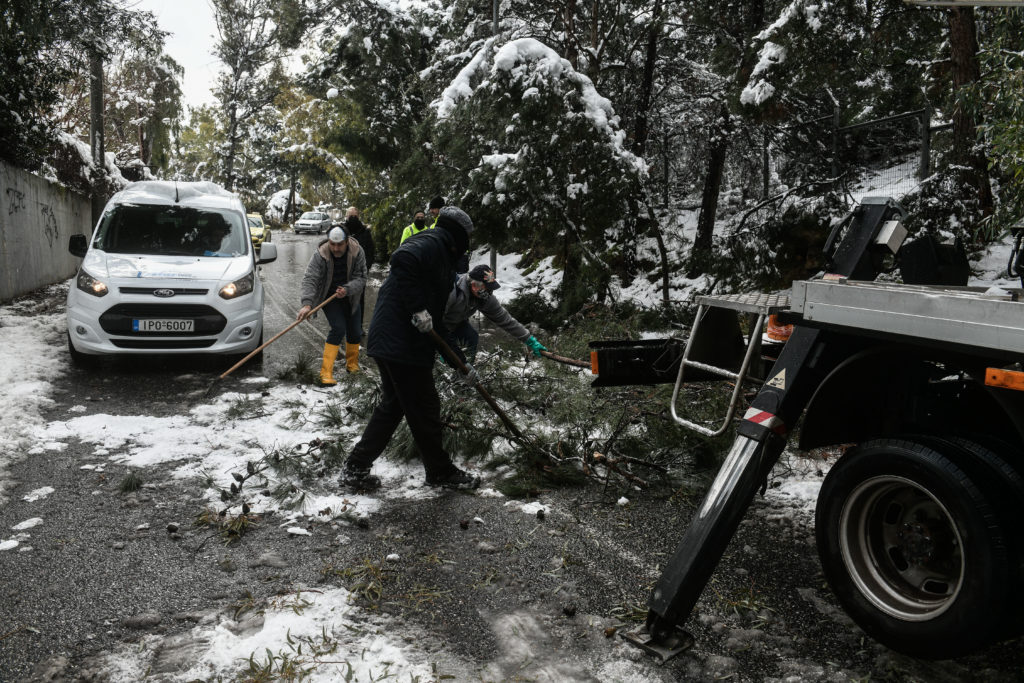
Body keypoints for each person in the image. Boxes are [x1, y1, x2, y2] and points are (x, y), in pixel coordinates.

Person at [340, 206, 481, 492]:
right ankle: (439, 471)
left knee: (393, 407)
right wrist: (417, 309)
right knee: (425, 407)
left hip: (396, 341)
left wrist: (461, 365)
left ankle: (356, 467)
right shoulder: (433, 242)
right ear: (457, 235)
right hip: (400, 342)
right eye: (467, 237)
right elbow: (401, 258)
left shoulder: (442, 257)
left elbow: (437, 324)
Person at [298, 225, 367, 383]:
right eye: (332, 244)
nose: (335, 248)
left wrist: (348, 289)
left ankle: (352, 365)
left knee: (355, 331)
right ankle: (325, 373)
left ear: (347, 241)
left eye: (339, 244)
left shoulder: (358, 251)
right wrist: (307, 304)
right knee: (338, 328)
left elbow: (362, 278)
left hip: (351, 296)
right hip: (330, 297)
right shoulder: (321, 254)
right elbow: (310, 278)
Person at [443, 265, 547, 363]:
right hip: (436, 324)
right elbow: (434, 320)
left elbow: (505, 319)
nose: (489, 293)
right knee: (444, 350)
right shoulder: (451, 291)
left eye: (491, 290)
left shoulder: (484, 297)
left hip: (455, 324)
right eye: (487, 289)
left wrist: (529, 340)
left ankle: (464, 373)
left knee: (471, 337)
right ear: (474, 285)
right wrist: (447, 345)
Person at [343, 207, 376, 334]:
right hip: (343, 273)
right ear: (346, 216)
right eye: (350, 216)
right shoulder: (342, 231)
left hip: (359, 274)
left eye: (355, 216)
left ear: (359, 216)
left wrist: (365, 268)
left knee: (358, 301)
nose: (352, 218)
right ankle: (344, 325)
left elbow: (370, 252)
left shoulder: (365, 232)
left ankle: (358, 326)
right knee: (343, 300)